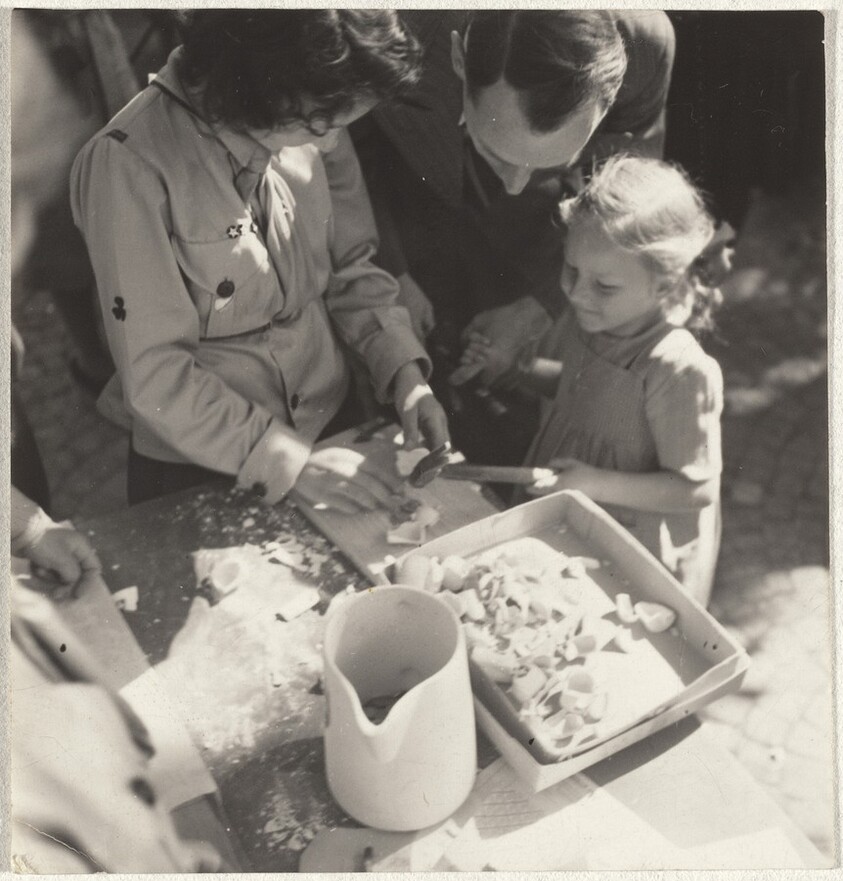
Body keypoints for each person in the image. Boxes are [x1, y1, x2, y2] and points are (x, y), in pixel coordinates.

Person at [70, 10, 449, 510]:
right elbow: (156, 372)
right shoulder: (128, 165)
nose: (332, 143)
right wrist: (290, 463)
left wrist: (404, 375)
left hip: (329, 427)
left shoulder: (313, 109)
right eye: (325, 126)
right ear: (258, 89)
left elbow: (352, 265)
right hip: (204, 464)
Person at [351, 10, 675, 463]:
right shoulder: (397, 19)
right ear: (459, 57)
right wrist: (393, 271)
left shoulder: (644, 40)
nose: (515, 183)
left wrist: (540, 304)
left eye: (550, 160)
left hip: (535, 244)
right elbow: (348, 147)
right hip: (402, 207)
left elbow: (624, 190)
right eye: (495, 151)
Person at [482, 156, 731, 605]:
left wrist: (594, 483)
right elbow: (583, 390)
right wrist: (518, 371)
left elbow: (696, 490)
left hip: (627, 544)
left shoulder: (677, 369)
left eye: (603, 285)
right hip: (572, 507)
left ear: (663, 283)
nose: (576, 293)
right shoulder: (592, 319)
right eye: (571, 270)